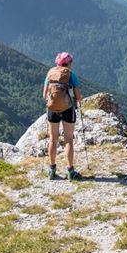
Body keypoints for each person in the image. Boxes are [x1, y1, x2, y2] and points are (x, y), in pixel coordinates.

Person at [42, 51, 84, 181]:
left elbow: (44, 95)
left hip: (53, 110)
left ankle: (52, 170)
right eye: (71, 62)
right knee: (68, 140)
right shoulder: (71, 75)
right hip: (68, 110)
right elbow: (78, 97)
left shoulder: (50, 73)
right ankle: (71, 171)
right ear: (68, 63)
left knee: (53, 139)